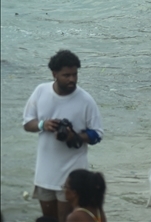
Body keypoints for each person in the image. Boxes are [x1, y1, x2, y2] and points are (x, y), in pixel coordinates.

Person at [22, 50, 103, 222]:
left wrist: (75, 137)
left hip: (72, 177)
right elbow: (27, 124)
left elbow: (98, 134)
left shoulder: (85, 100)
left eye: (75, 74)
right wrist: (43, 125)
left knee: (67, 219)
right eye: (66, 75)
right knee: (47, 219)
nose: (72, 79)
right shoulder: (40, 91)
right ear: (54, 74)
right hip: (45, 173)